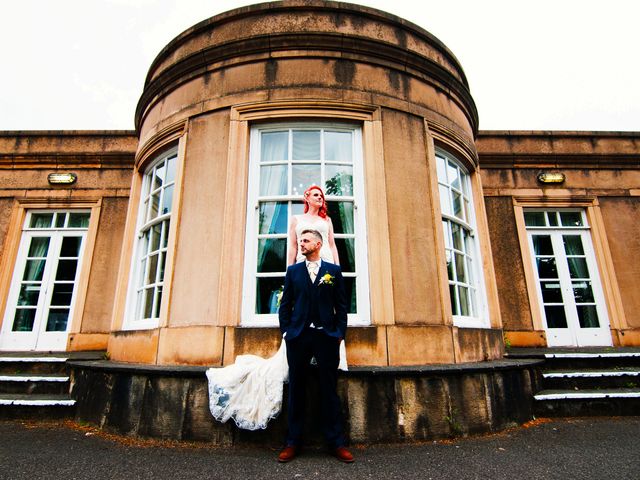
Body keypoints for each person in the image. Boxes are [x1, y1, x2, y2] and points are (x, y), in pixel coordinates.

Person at [277, 229, 354, 463]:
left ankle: (336, 443)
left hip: (326, 337)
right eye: (300, 240)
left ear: (318, 244)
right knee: (297, 389)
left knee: (329, 390)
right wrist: (287, 332)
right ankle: (292, 442)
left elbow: (342, 305)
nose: (301, 243)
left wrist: (338, 333)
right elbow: (285, 304)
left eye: (306, 240)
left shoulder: (334, 271)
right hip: (298, 337)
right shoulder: (293, 272)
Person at [287, 185, 339, 266]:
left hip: (326, 261)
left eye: (321, 196)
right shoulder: (296, 219)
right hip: (303, 262)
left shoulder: (327, 220)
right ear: (307, 199)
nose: (320, 197)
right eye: (316, 195)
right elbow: (293, 246)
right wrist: (289, 269)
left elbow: (332, 245)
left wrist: (337, 266)